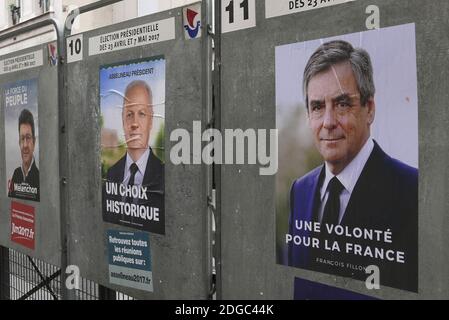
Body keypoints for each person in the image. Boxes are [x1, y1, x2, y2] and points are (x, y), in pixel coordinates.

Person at [287, 40, 418, 292]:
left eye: (342, 104)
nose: (328, 122)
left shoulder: (411, 190)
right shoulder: (300, 191)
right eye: (317, 107)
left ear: (369, 109)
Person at [106, 80, 164, 195]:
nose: (134, 123)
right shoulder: (111, 174)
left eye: (142, 114)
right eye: (129, 114)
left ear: (151, 120)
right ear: (123, 120)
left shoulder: (164, 174)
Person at [8, 108, 40, 201]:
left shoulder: (40, 179)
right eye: (22, 138)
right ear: (19, 143)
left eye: (28, 138)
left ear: (34, 142)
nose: (25, 145)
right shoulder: (16, 174)